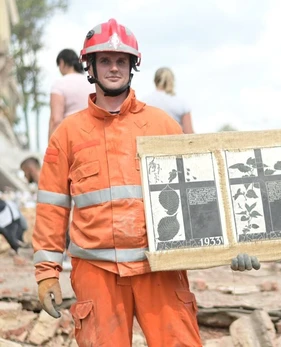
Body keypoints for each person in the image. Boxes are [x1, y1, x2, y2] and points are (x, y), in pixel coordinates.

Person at [32, 18, 258, 346]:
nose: (113, 68)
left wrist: (237, 245)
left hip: (160, 267)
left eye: (121, 61)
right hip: (97, 272)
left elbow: (201, 194)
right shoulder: (67, 134)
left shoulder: (162, 124)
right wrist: (47, 273)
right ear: (90, 67)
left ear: (132, 66)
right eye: (105, 61)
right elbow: (51, 207)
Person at [48, 48, 94, 139]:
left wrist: (50, 147)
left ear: (62, 63)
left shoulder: (60, 84)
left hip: (70, 139)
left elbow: (56, 120)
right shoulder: (92, 83)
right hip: (93, 136)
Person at [143, 67, 194, 133]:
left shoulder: (144, 102)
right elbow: (189, 133)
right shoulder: (181, 103)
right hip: (175, 142)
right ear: (172, 81)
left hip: (151, 141)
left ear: (154, 81)